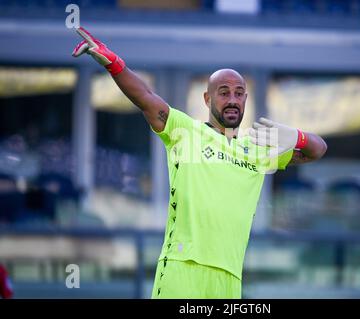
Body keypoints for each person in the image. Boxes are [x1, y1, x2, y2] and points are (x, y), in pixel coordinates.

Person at [72, 27, 327, 298]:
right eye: (224, 92)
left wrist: (297, 136)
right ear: (207, 99)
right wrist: (114, 63)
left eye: (239, 93)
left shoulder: (257, 149)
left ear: (246, 100)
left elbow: (318, 150)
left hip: (229, 278)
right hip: (183, 270)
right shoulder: (186, 131)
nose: (232, 100)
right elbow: (146, 97)